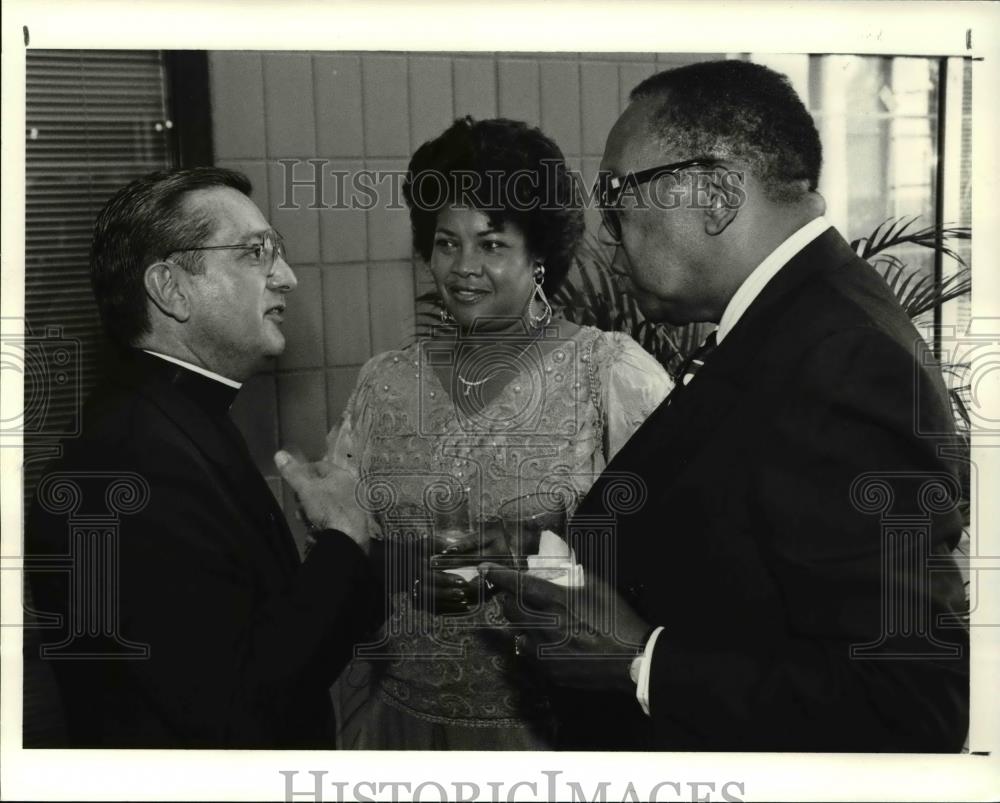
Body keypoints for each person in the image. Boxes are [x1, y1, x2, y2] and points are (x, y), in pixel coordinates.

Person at [485, 60, 969, 751]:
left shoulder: (842, 360)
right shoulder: (790, 318)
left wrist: (640, 661)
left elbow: (912, 705)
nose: (609, 231)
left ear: (714, 194)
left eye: (617, 194)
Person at [326, 117, 673, 749]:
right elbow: (352, 557)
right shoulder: (383, 384)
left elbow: (671, 563)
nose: (462, 268)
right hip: (401, 725)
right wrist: (406, 569)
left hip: (552, 731)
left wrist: (537, 552)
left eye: (491, 244)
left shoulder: (608, 374)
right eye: (445, 243)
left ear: (539, 256)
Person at [26, 167, 375, 748]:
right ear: (170, 289)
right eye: (255, 253)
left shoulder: (171, 419)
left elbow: (256, 636)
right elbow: (240, 707)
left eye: (278, 252)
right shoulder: (134, 463)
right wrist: (341, 539)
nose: (285, 278)